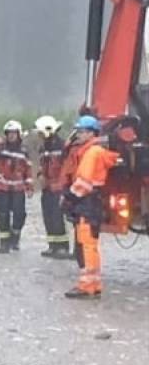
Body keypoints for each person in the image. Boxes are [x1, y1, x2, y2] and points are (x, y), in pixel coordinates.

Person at [62, 115, 121, 300]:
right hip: (92, 202)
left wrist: (68, 197)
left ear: (91, 133)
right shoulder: (94, 151)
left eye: (81, 131)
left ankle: (87, 286)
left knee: (87, 244)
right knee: (90, 244)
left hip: (87, 202)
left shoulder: (91, 152)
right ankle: (93, 284)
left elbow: (84, 182)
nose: (78, 135)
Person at [0, 119, 33, 253]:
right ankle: (4, 243)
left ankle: (15, 236)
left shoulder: (24, 152)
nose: (11, 135)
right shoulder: (1, 149)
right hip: (2, 187)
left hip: (18, 188)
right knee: (3, 215)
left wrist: (29, 187)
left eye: (14, 133)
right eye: (9, 133)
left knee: (20, 214)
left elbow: (28, 171)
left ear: (19, 134)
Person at [33, 115, 71, 258]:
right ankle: (53, 246)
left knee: (57, 217)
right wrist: (40, 176)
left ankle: (63, 247)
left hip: (58, 187)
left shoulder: (62, 146)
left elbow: (66, 167)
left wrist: (63, 185)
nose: (40, 135)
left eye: (41, 132)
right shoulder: (44, 147)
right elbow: (43, 166)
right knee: (48, 216)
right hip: (47, 188)